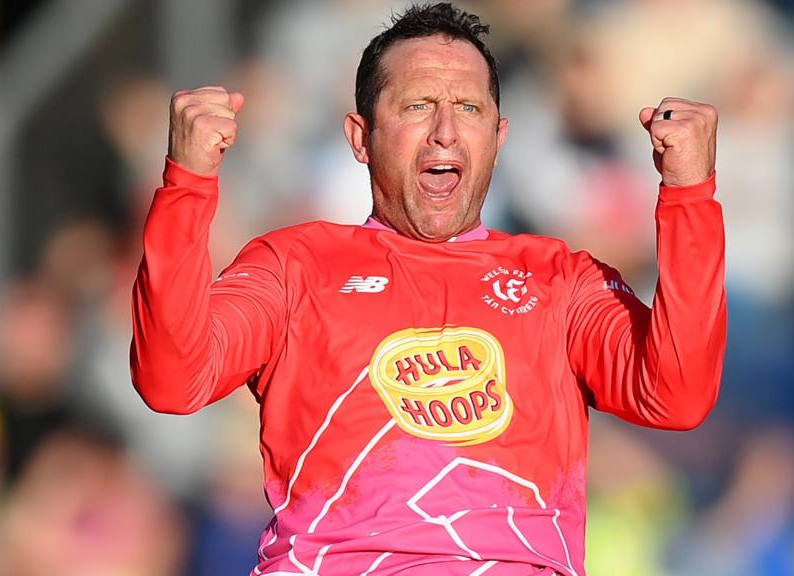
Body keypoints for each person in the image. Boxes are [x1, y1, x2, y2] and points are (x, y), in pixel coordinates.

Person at [130, 3, 725, 575]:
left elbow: (675, 395)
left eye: (468, 108)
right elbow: (172, 379)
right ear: (360, 138)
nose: (445, 131)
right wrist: (187, 185)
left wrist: (689, 196)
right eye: (417, 105)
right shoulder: (294, 264)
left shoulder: (561, 281)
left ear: (499, 135)